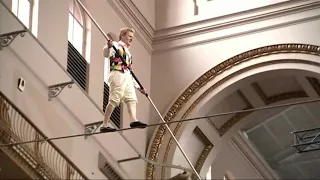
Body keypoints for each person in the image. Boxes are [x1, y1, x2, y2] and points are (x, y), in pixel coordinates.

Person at [100, 27, 147, 132]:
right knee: (115, 99)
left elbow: (129, 71)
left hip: (126, 76)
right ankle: (105, 124)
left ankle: (133, 120)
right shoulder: (116, 45)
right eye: (130, 36)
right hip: (117, 74)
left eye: (132, 37)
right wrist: (108, 47)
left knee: (131, 98)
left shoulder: (128, 52)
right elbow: (106, 54)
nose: (131, 39)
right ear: (122, 35)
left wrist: (140, 88)